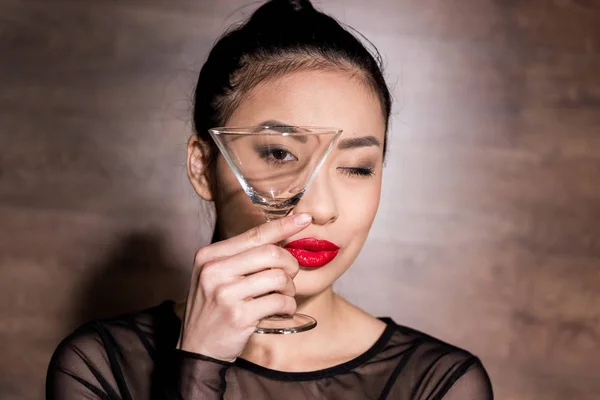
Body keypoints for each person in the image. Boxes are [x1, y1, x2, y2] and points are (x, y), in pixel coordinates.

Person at [46, 0, 494, 399]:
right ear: (204, 166)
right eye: (280, 154)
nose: (321, 208)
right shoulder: (98, 367)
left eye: (357, 167)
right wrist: (198, 366)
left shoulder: (440, 384)